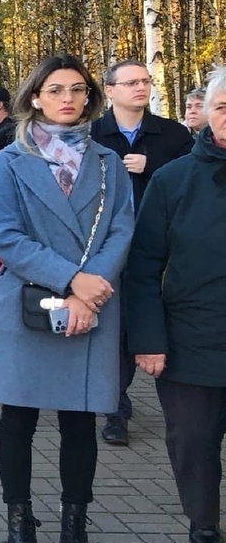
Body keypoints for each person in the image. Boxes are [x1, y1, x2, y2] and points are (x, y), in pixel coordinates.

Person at [0, 54, 134, 543]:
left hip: (91, 305)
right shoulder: (8, 161)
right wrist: (72, 282)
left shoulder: (107, 163)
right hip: (33, 302)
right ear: (34, 98)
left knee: (80, 423)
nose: (67, 99)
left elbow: (121, 229)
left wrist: (89, 292)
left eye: (76, 89)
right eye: (55, 90)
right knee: (19, 420)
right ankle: (20, 527)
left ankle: (75, 529)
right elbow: (6, 238)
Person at [126, 67, 226, 543]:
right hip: (190, 337)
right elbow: (144, 266)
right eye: (223, 107)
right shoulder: (174, 178)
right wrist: (147, 339)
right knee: (193, 439)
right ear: (206, 112)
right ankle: (203, 517)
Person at [91, 59, 194, 445]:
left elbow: (190, 181)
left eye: (145, 81)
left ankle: (186, 408)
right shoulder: (92, 134)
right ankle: (115, 409)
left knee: (151, 324)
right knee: (114, 331)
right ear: (111, 90)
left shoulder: (173, 135)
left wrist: (153, 166)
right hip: (106, 248)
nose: (140, 88)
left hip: (159, 248)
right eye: (130, 82)